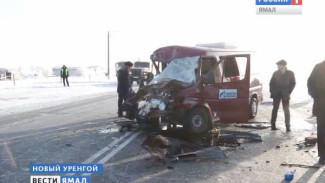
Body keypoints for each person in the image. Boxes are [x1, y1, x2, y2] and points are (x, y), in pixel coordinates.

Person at [269, 60, 296, 132]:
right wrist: (272, 91)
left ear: (283, 65)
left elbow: (293, 83)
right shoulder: (275, 73)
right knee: (275, 109)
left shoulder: (290, 73)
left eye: (278, 65)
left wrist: (288, 91)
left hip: (285, 94)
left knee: (286, 110)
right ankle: (273, 125)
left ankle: (288, 126)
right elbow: (271, 83)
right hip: (276, 94)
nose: (277, 66)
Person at [307, 60, 325, 164]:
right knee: (321, 130)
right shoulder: (318, 67)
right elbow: (310, 83)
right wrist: (315, 96)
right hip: (321, 104)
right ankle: (322, 156)